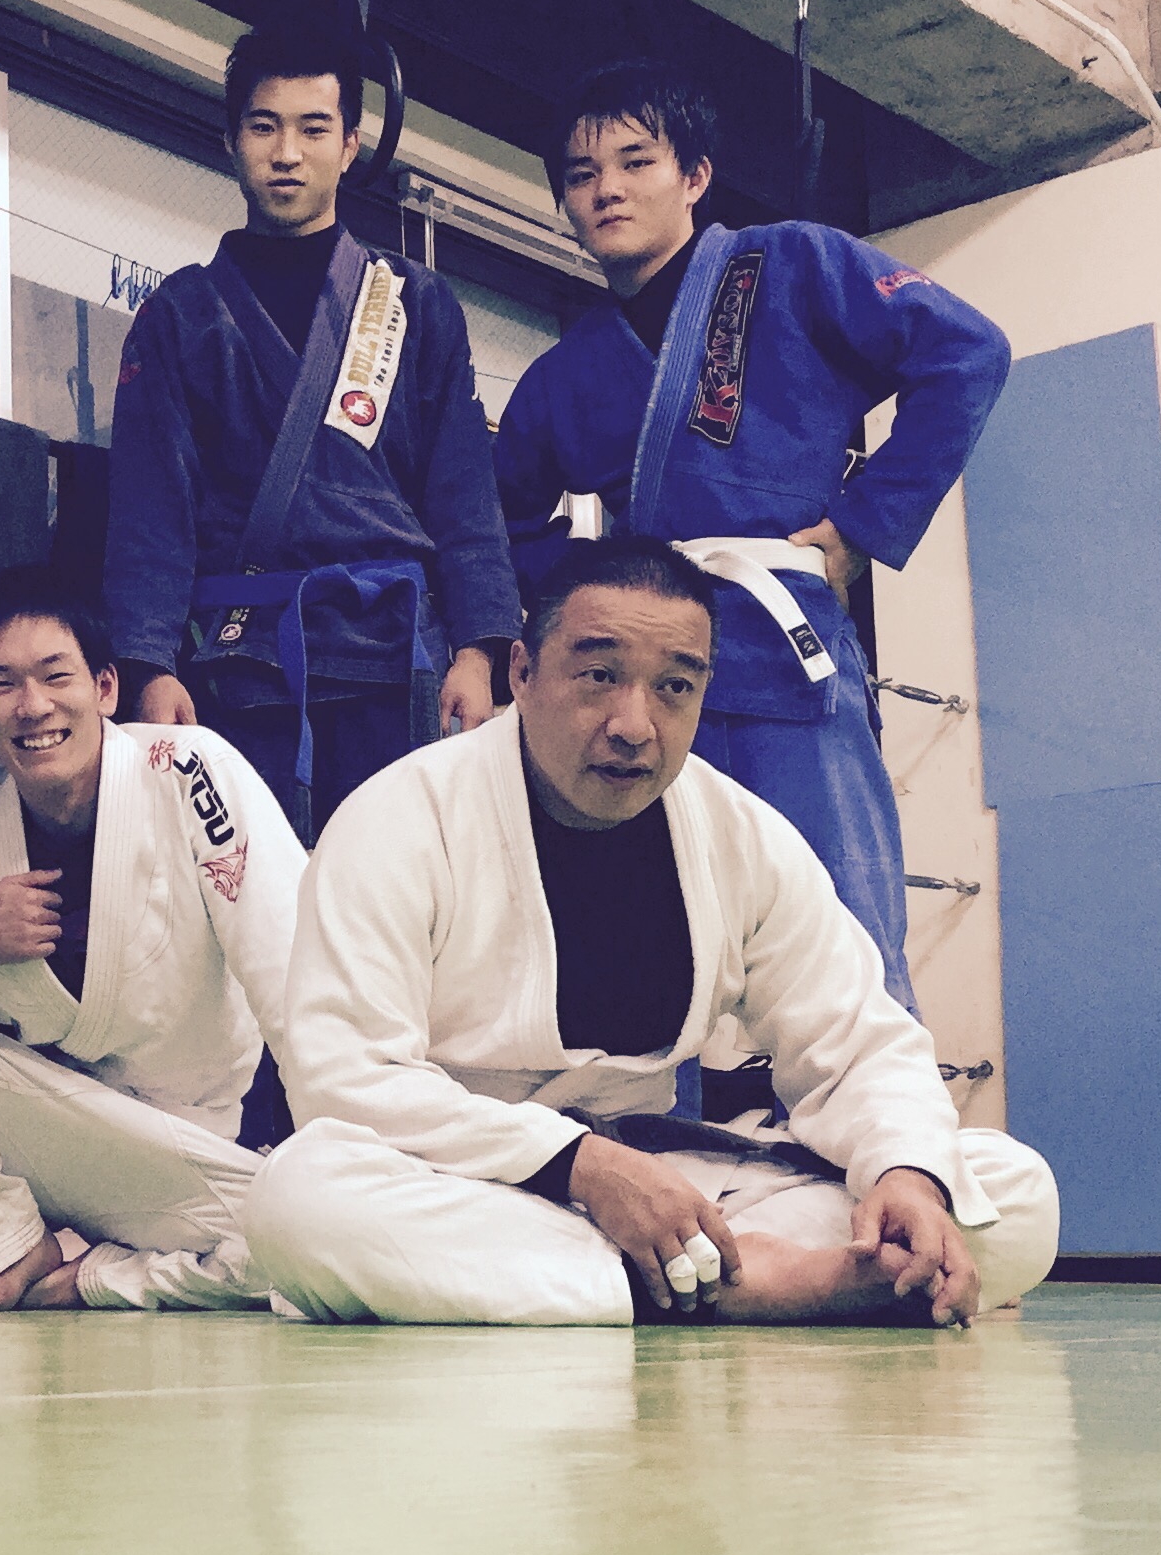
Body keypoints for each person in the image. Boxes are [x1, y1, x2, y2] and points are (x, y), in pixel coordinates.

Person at [246, 535, 1057, 1327]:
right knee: (303, 1198)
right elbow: (345, 1080)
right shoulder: (400, 818)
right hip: (462, 1176)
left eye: (674, 687)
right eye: (599, 676)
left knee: (1010, 1187)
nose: (635, 724)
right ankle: (746, 1285)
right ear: (522, 673)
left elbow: (859, 1042)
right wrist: (579, 1166)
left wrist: (908, 1179)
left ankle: (671, 1280)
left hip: (669, 1185)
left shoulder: (739, 834)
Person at [490, 60, 1010, 1008]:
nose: (606, 190)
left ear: (694, 175)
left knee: (841, 936)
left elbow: (967, 351)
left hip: (782, 650)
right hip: (642, 683)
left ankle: (871, 1103)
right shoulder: (568, 372)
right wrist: (590, 598)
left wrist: (862, 524)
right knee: (663, 944)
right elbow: (501, 516)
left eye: (635, 162)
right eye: (580, 174)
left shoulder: (794, 262)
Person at [0, 567, 303, 1308]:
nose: (34, 706)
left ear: (106, 688)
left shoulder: (189, 773)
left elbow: (295, 972)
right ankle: (6, 1242)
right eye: (2, 686)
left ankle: (101, 1274)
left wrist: (343, 1146)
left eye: (56, 676)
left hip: (173, 1149)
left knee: (316, 1233)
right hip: (32, 1136)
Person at [104, 11, 517, 842]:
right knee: (250, 899)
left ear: (350, 145)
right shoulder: (180, 314)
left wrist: (481, 650)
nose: (287, 152)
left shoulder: (415, 302)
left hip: (396, 661)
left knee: (399, 894)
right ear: (230, 141)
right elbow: (150, 509)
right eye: (264, 127)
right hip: (238, 665)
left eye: (313, 129)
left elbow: (465, 495)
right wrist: (150, 666)